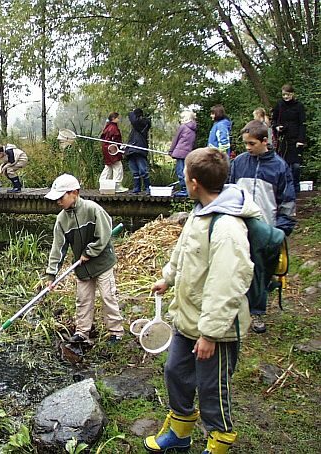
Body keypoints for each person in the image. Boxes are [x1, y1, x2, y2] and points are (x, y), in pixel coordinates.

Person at [144, 147, 260, 454]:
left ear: (194, 183)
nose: (184, 179)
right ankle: (180, 433)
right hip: (187, 317)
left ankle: (219, 442)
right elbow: (183, 253)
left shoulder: (227, 228)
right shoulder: (199, 213)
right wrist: (167, 278)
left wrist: (209, 333)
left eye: (185, 176)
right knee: (175, 373)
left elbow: (228, 285)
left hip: (216, 329)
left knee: (212, 389)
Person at [229, 120, 296, 333]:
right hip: (240, 227)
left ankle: (257, 312)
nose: (247, 148)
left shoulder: (279, 166)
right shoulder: (239, 163)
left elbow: (287, 201)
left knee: (261, 272)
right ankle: (234, 309)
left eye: (251, 143)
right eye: (245, 143)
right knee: (236, 268)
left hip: (266, 229)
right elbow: (229, 192)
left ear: (265, 141)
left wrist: (281, 231)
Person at [44, 173, 125, 345]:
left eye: (61, 197)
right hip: (82, 267)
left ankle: (116, 333)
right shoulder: (61, 220)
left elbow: (103, 235)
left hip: (102, 262)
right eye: (56, 199)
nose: (58, 202)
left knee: (108, 296)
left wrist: (90, 252)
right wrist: (51, 275)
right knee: (83, 299)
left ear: (74, 193)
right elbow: (58, 248)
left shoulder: (92, 209)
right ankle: (82, 333)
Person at [271, 84, 306, 194]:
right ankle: (285, 188)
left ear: (292, 94)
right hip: (283, 139)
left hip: (296, 139)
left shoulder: (299, 106)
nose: (286, 97)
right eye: (284, 95)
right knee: (283, 164)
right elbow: (274, 120)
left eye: (288, 94)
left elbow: (302, 124)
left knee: (295, 166)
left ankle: (296, 188)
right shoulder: (279, 105)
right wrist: (277, 127)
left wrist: (301, 140)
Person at [168, 110, 197, 197]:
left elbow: (175, 139)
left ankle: (184, 189)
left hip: (180, 151)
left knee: (180, 171)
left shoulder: (183, 127)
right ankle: (187, 189)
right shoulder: (194, 128)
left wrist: (171, 151)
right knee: (186, 171)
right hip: (188, 152)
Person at [99, 112, 127, 192]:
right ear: (113, 118)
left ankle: (103, 184)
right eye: (117, 118)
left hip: (106, 149)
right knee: (118, 166)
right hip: (112, 150)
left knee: (108, 167)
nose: (118, 119)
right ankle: (117, 186)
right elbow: (115, 140)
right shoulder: (113, 128)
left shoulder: (107, 127)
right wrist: (120, 146)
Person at [127, 108, 152, 193]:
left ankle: (148, 187)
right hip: (131, 150)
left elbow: (134, 121)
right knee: (135, 171)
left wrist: (132, 113)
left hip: (140, 150)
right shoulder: (135, 126)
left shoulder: (144, 123)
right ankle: (137, 188)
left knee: (143, 170)